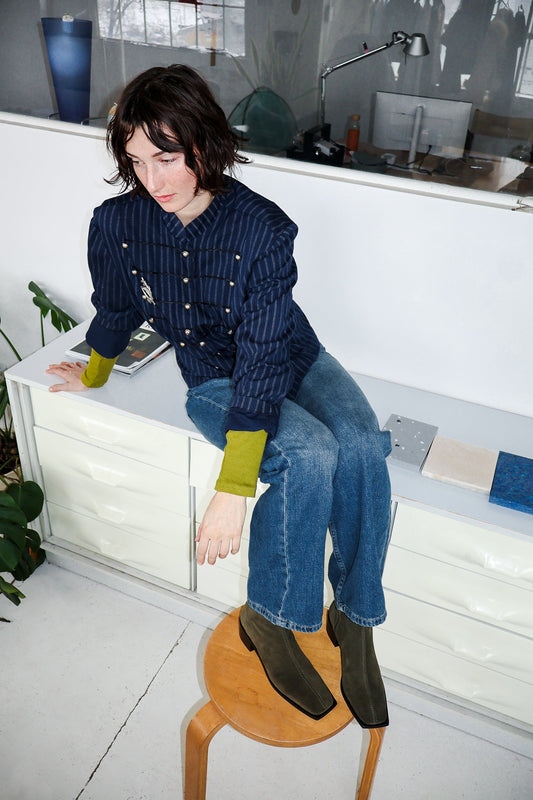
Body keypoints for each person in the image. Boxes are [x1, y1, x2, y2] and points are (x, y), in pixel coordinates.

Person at [47, 64, 392, 726]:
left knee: (359, 447)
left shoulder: (261, 227)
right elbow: (116, 309)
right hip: (212, 378)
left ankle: (354, 618)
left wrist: (232, 490)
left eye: (167, 156)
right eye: (137, 160)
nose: (153, 180)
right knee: (310, 454)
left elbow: (267, 351)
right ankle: (271, 618)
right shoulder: (117, 224)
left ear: (204, 142)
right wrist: (91, 371)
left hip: (294, 355)